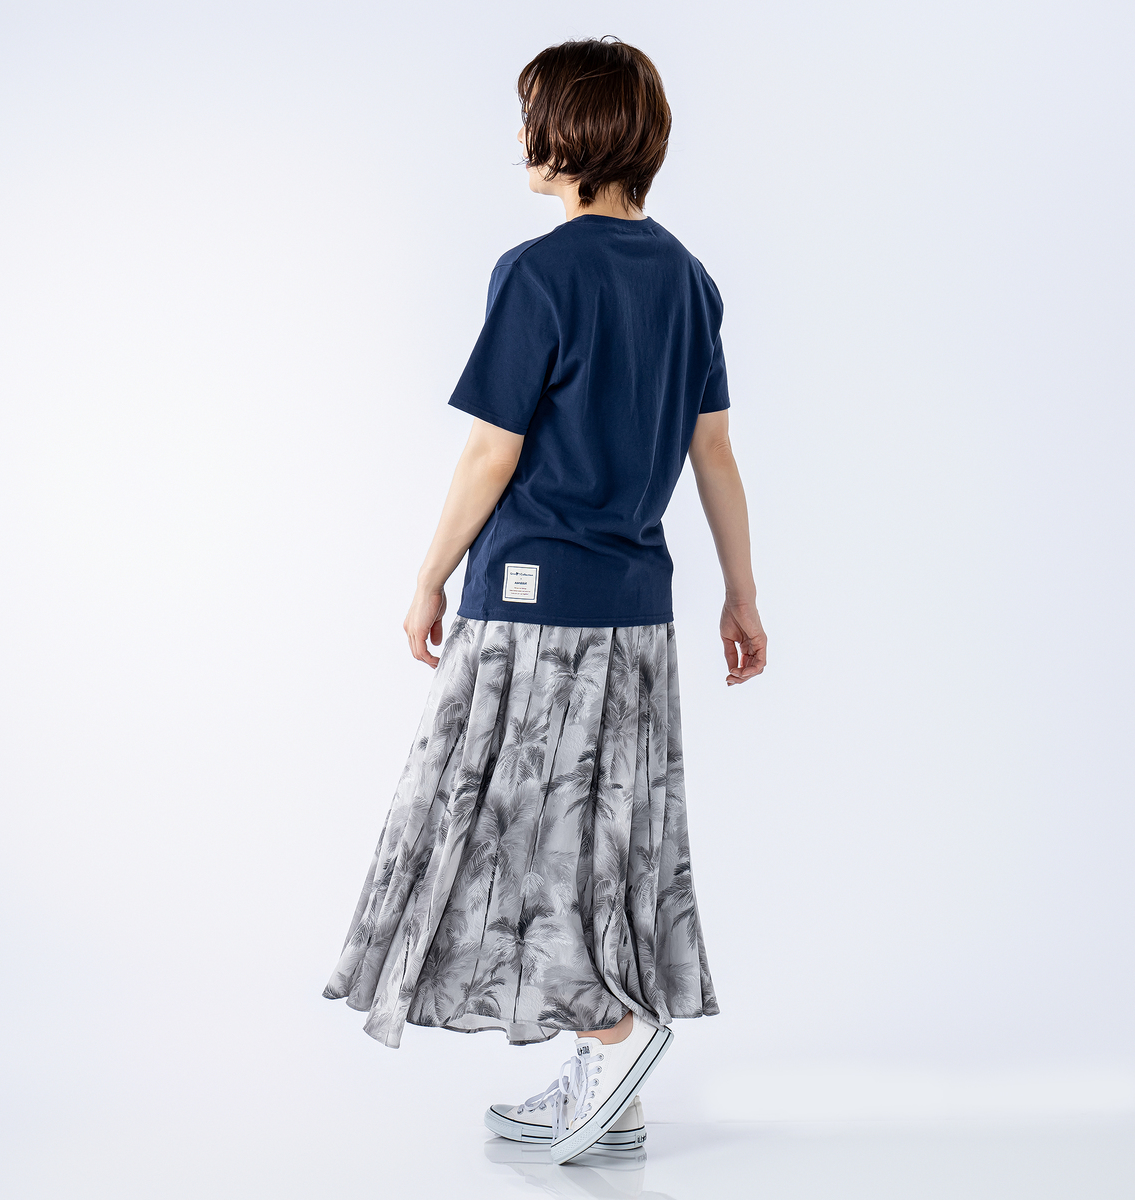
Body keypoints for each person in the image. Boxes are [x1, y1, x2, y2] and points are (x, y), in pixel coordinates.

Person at [323, 36, 766, 1164]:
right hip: (639, 611)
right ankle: (607, 1089)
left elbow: (491, 452)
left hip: (532, 602)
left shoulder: (537, 272)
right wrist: (742, 594)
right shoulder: (689, 278)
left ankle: (615, 1033)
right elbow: (715, 452)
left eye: (534, 116)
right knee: (605, 839)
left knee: (512, 832)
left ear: (571, 133)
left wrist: (429, 574)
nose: (522, 137)